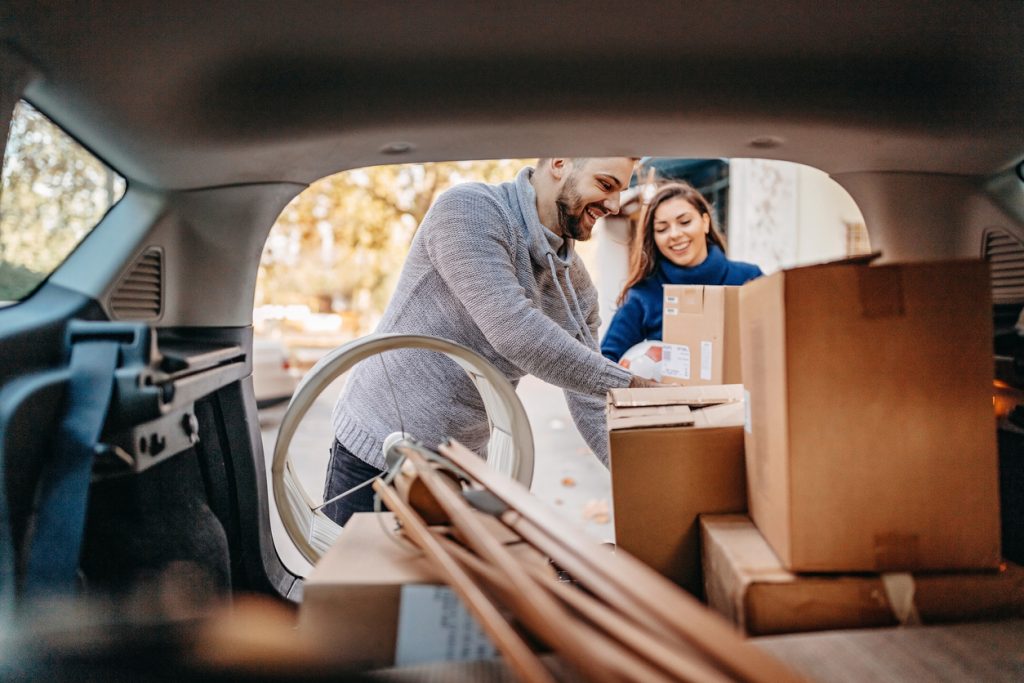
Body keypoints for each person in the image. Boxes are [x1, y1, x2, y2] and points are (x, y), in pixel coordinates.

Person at [324, 158, 657, 526]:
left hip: (457, 466)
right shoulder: (469, 211)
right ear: (560, 162)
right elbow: (515, 331)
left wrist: (649, 485)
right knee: (355, 580)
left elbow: (591, 401)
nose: (613, 205)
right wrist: (633, 386)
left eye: (620, 191)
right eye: (606, 185)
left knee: (435, 584)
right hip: (377, 447)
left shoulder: (575, 286)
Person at [601, 181, 762, 362]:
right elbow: (605, 361)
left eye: (684, 222)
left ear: (705, 222)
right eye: (662, 229)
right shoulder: (643, 294)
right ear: (654, 237)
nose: (675, 234)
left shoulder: (749, 279)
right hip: (671, 391)